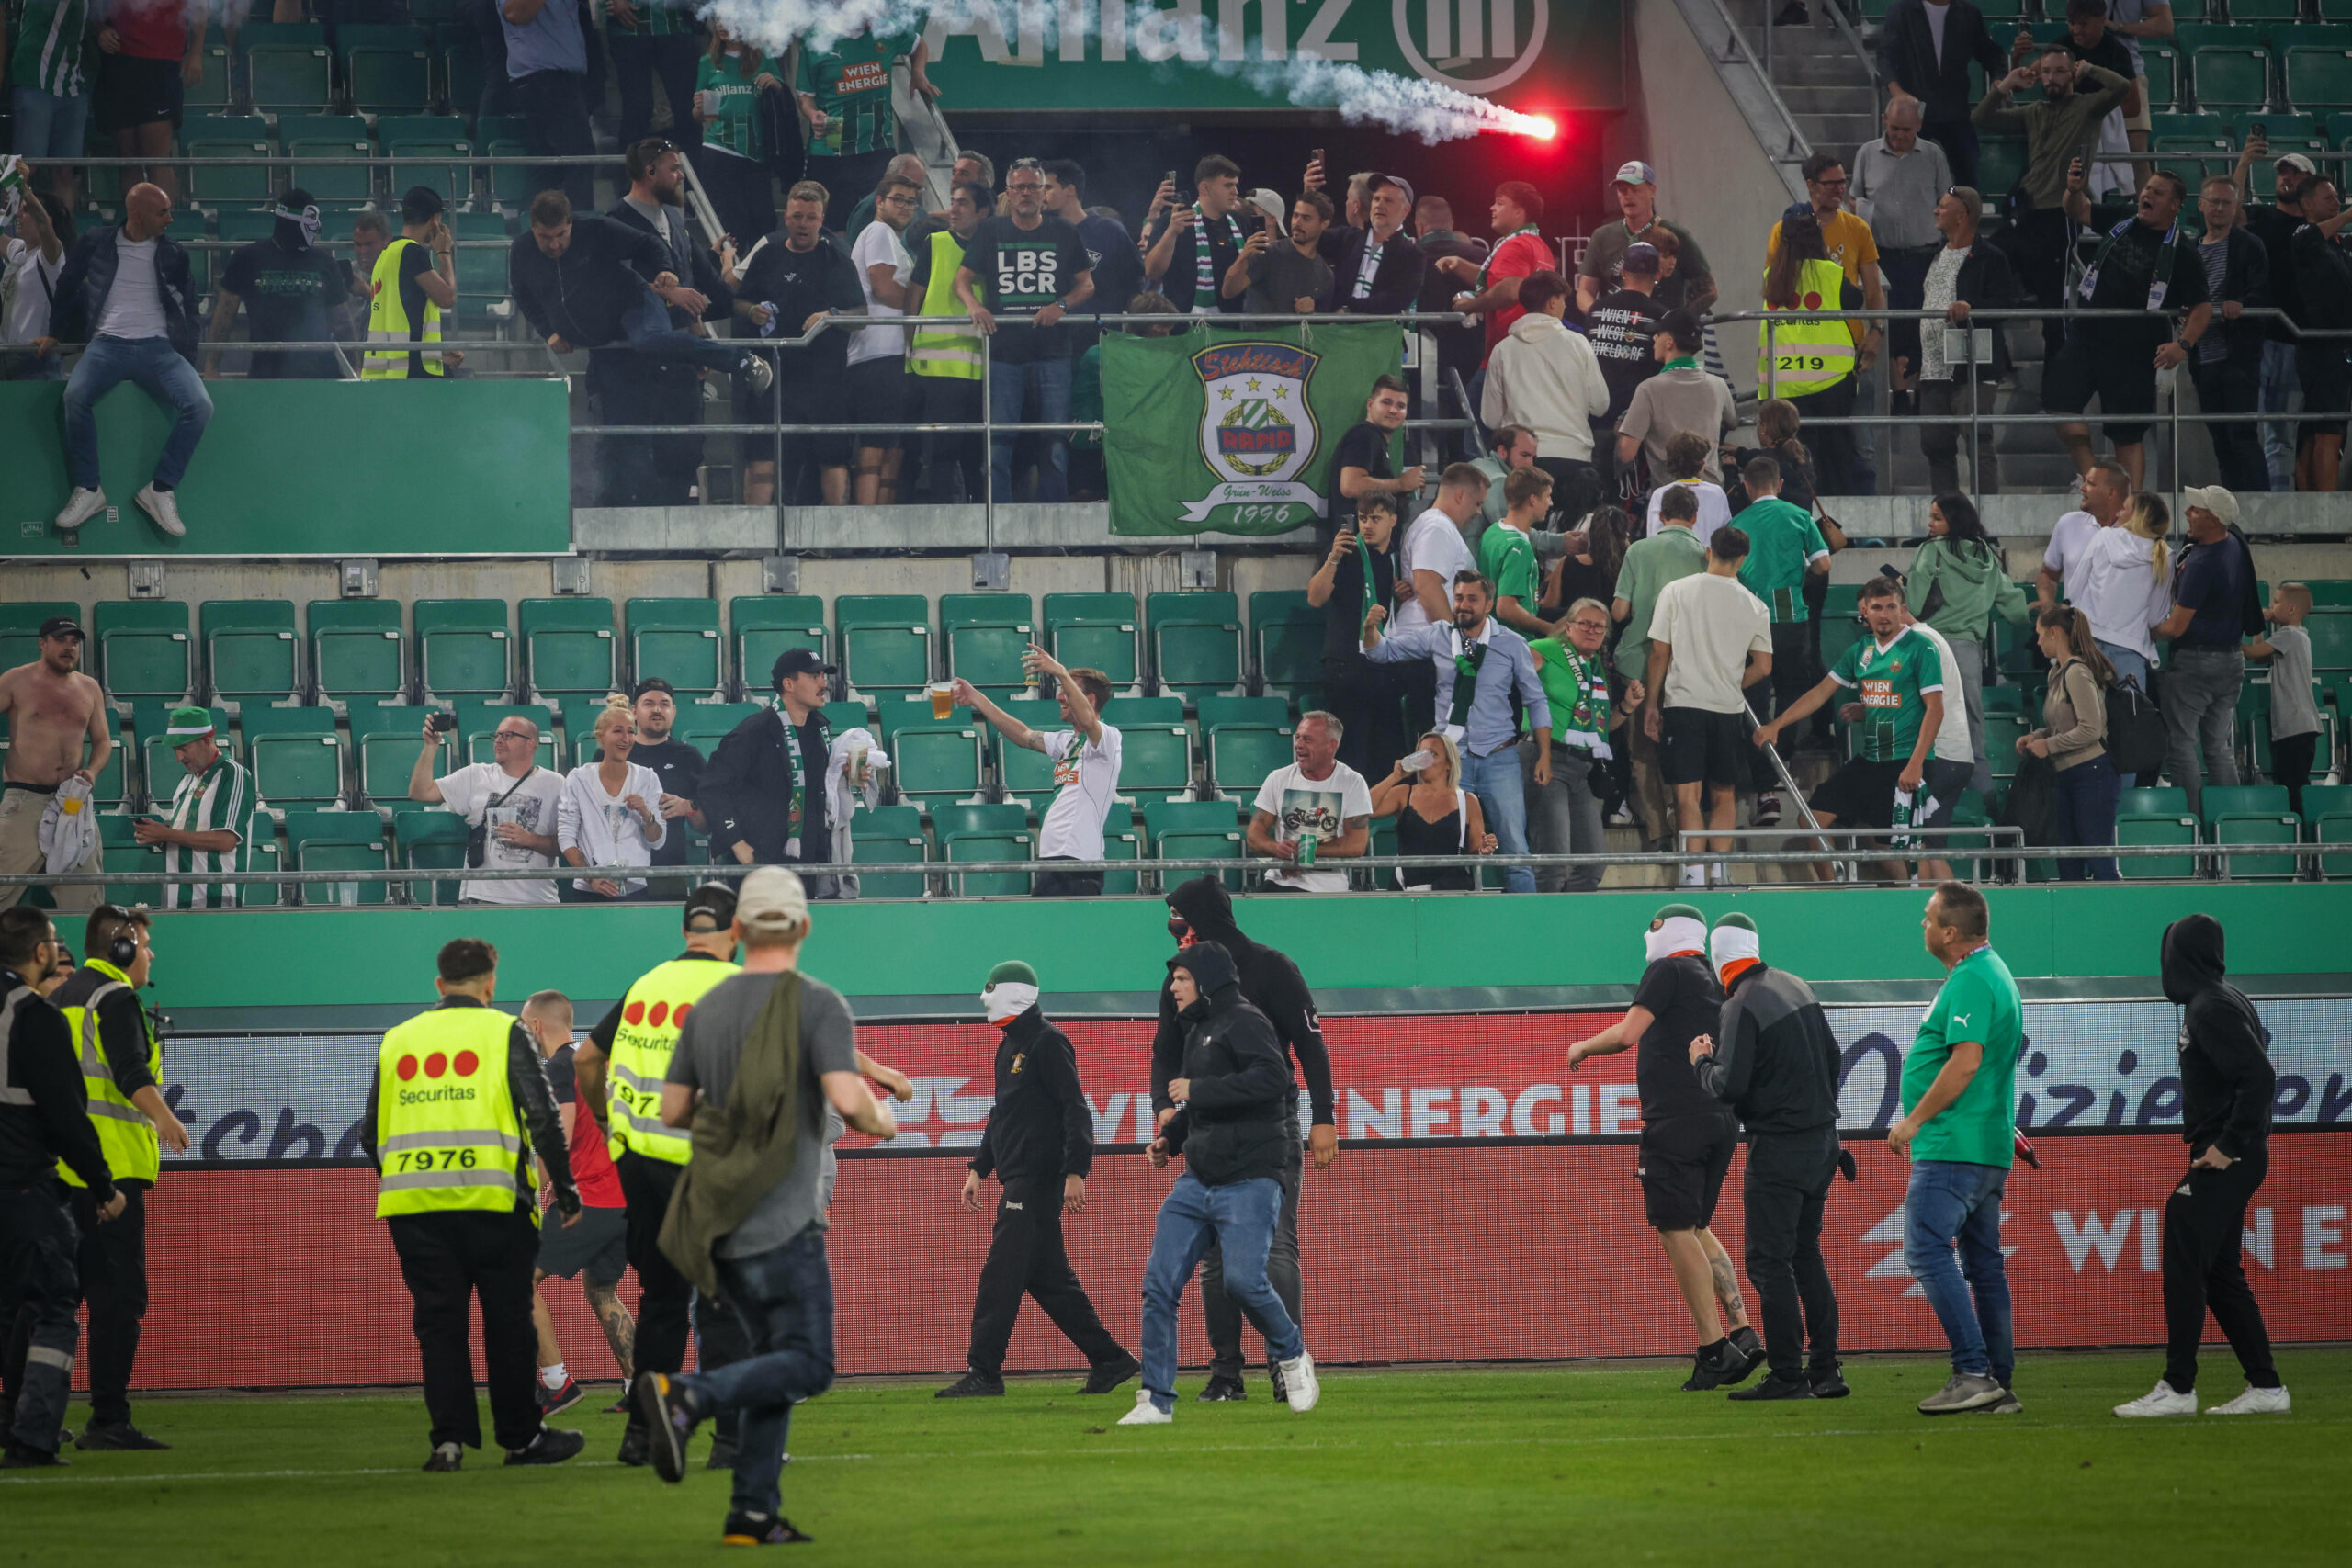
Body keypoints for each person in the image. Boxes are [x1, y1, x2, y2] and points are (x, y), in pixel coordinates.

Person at [635, 868, 902, 1543]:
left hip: (718, 1222)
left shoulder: (709, 1009)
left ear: (739, 930)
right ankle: (689, 1394)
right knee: (809, 1363)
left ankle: (751, 1511)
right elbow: (849, 1101)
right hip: (784, 1221)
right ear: (804, 927)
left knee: (772, 1362)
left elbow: (671, 1109)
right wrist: (884, 1117)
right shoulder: (817, 1003)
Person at [363, 938, 583, 1470]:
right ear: (491, 985)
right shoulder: (506, 1031)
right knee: (508, 1323)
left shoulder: (398, 1039)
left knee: (439, 1326)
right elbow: (544, 1117)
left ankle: (448, 1443)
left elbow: (370, 1131)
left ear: (439, 985)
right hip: (493, 1203)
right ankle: (521, 1439)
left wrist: (404, 1177)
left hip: (414, 1207)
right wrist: (568, 1190)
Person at [573, 884, 744, 1470]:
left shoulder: (645, 985)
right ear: (736, 931)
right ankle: (729, 1441)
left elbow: (585, 1060)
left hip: (639, 1165)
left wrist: (602, 1117)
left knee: (663, 1302)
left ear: (684, 931)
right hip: (702, 1165)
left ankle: (642, 1435)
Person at [1150, 878, 1338, 1400]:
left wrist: (1324, 1115)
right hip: (1205, 1125)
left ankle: (1286, 1364)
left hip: (1267, 1124)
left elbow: (1310, 1046)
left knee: (1270, 1247)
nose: (1171, 930)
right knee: (1213, 1255)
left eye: (1176, 917)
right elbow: (1163, 1052)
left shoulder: (1272, 967)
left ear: (1198, 918)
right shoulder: (1179, 978)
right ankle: (1226, 1372)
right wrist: (1166, 1113)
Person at [1566, 905, 1764, 1392]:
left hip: (1675, 1120)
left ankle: (1714, 1348)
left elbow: (1629, 1034)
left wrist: (1583, 1047)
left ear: (1663, 933)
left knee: (1675, 1230)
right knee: (1697, 1226)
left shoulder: (1667, 968)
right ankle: (1743, 1331)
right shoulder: (1716, 979)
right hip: (1720, 1117)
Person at [1124, 941, 1320, 1424]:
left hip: (1252, 1175)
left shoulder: (1247, 1020)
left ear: (1207, 981)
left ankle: (1292, 1355)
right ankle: (1155, 1400)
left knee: (1244, 1281)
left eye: (1182, 979)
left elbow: (1275, 1079)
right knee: (1158, 1283)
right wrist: (1171, 1137)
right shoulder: (1198, 1030)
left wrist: (1198, 1089)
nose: (1173, 988)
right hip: (1199, 1178)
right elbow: (1202, 1107)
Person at [2116, 914, 2289, 1417]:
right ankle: (2267, 1387)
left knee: (2183, 1240)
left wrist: (2229, 1146)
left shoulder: (2209, 1006)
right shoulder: (2221, 998)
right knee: (2220, 1272)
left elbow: (2259, 1076)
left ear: (2179, 957)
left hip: (2228, 1154)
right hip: (2232, 1151)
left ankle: (2179, 1387)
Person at [940, 960, 1137, 1399]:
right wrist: (979, 1167)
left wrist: (1075, 1171)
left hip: (1036, 1181)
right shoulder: (1007, 1046)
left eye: (990, 989)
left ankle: (984, 1372)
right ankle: (1110, 1360)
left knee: (1001, 1274)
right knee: (1050, 1280)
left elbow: (1076, 1109)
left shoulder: (1049, 1043)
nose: (983, 999)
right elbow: (1001, 1115)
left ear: (1013, 994)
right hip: (1017, 1178)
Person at [1691, 913, 1847, 1402]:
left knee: (1768, 1262)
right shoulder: (1796, 985)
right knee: (1805, 1254)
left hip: (1779, 1149)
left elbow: (1728, 1085)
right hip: (1823, 1141)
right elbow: (1834, 1057)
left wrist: (1701, 1061)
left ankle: (1786, 1374)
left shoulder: (1741, 1004)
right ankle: (1826, 1370)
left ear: (1719, 961)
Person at [45, 903, 183, 1448]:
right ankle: (108, 1419)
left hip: (57, 1171)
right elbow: (129, 1073)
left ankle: (34, 1416)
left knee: (55, 1300)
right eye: (146, 946)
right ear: (122, 951)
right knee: (118, 1300)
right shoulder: (115, 997)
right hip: (111, 1174)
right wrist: (165, 1118)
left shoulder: (58, 998)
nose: (151, 955)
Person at [1892, 882, 2025, 1416]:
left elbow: (1967, 1062)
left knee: (1925, 1249)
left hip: (1951, 1144)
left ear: (1951, 932)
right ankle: (1999, 1383)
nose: (1921, 926)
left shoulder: (1971, 978)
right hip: (1985, 1143)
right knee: (1984, 1266)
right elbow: (1992, 1066)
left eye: (1927, 919)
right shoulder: (1996, 973)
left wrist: (1913, 1121)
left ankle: (1972, 1371)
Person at [0, 908, 122, 1469]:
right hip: (22, 1189)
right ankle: (33, 1434)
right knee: (53, 1306)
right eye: (53, 943)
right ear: (41, 953)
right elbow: (67, 1117)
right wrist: (102, 1185)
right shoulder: (34, 1017)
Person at [1363, 571, 1551, 896]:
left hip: (1499, 757)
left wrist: (1544, 754)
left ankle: (1527, 926)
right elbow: (1382, 652)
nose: (1463, 605)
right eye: (1459, 597)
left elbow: (1535, 699)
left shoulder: (1511, 643)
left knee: (1515, 849)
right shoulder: (1438, 635)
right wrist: (1369, 629)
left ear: (1489, 604)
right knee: (1441, 846)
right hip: (1449, 760)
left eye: (1472, 599)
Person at [1755, 575, 1947, 884]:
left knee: (1904, 845)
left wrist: (1916, 764)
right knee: (1812, 819)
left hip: (1906, 761)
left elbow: (1935, 709)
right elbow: (1820, 692)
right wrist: (1776, 724)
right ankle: (1836, 893)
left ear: (1902, 609)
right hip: (1871, 760)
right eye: (1876, 607)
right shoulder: (1861, 650)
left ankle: (1924, 907)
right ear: (1865, 612)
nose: (1884, 614)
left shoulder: (1920, 648)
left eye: (1890, 607)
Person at [42, 182, 205, 539]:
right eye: (162, 212)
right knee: (74, 397)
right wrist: (55, 332)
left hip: (159, 349)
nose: (170, 218)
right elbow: (68, 282)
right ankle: (88, 489)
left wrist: (189, 359)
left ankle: (160, 490)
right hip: (107, 344)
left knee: (201, 406)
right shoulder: (97, 241)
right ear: (137, 214)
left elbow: (190, 307)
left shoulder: (174, 253)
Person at [514, 190, 774, 402]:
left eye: (561, 235)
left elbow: (649, 243)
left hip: (633, 301)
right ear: (532, 229)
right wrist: (548, 331)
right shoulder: (522, 251)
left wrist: (666, 270)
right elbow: (523, 295)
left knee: (648, 339)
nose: (554, 244)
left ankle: (743, 360)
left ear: (571, 223)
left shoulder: (596, 228)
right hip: (597, 329)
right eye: (545, 238)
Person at [2050, 165, 2211, 491]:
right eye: (2147, 189)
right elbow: (2077, 210)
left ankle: (2130, 506)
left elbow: (2202, 307)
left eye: (2158, 192)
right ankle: (2093, 482)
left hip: (2135, 348)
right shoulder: (2123, 218)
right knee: (2059, 404)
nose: (2147, 194)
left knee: (2127, 433)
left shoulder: (2183, 251)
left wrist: (2183, 345)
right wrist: (2074, 188)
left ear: (2175, 205)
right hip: (2089, 335)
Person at [518, 989, 634, 1418]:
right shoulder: (590, 1064)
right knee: (600, 1288)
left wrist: (533, 1188)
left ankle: (555, 1383)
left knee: (517, 1278)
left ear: (535, 1027)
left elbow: (559, 1137)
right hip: (621, 1199)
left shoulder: (559, 1066)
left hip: (590, 1198)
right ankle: (640, 1386)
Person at [1973, 50, 2132, 360]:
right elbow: (1980, 118)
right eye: (2045, 71)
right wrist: (2007, 83)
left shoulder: (2088, 107)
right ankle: (1997, 360)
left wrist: (2090, 68)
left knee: (2053, 313)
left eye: (2059, 71)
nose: (2051, 78)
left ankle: (2056, 395)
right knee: (1984, 270)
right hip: (2024, 215)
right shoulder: (2034, 111)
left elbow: (2122, 87)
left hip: (2060, 216)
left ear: (2071, 73)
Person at [955, 158, 1094, 503]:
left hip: (1053, 354)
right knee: (998, 444)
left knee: (1054, 445)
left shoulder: (1063, 231)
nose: (1027, 193)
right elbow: (962, 280)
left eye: (1034, 186)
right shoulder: (991, 230)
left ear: (1044, 192)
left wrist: (1059, 306)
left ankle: (1053, 533)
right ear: (1009, 192)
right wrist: (976, 306)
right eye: (1020, 187)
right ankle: (998, 530)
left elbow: (1086, 285)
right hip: (1004, 354)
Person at [1646, 526, 1773, 887]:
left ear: (1708, 551)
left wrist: (1652, 705)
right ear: (1743, 559)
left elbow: (1659, 652)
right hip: (1728, 709)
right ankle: (1720, 872)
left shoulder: (1676, 591)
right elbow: (1764, 667)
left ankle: (1692, 875)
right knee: (1724, 793)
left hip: (1683, 705)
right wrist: (1731, 683)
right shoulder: (1755, 604)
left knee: (1687, 796)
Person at [605, 145, 731, 506]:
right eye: (674, 169)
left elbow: (690, 283)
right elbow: (613, 286)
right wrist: (666, 296)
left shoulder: (676, 218)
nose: (680, 176)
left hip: (679, 359)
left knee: (685, 450)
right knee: (636, 457)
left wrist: (698, 337)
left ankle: (681, 539)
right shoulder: (614, 221)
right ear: (649, 172)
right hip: (634, 364)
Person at [731, 181, 864, 506]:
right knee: (761, 456)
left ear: (821, 220)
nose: (803, 224)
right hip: (772, 375)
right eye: (797, 216)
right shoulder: (766, 255)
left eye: (811, 217)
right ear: (786, 217)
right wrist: (751, 310)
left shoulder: (837, 260)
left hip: (824, 378)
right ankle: (754, 539)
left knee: (832, 456)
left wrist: (829, 316)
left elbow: (861, 315)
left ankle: (836, 540)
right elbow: (737, 301)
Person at [952, 654, 1119, 897]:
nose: (1059, 697)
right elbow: (1023, 735)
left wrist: (1061, 672)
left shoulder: (1108, 739)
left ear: (1089, 699)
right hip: (1055, 860)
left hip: (1078, 862)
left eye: (1066, 691)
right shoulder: (1066, 741)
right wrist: (977, 698)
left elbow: (1089, 720)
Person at [1907, 492, 2030, 794]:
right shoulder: (1987, 556)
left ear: (1954, 520)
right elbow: (2013, 607)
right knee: (1972, 732)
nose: (1929, 523)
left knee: (1925, 728)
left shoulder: (1929, 552)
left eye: (1937, 517)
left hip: (1930, 648)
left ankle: (1929, 805)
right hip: (1968, 653)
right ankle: (1982, 805)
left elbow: (1913, 603)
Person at [1734, 457, 1830, 823]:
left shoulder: (1737, 524)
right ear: (1778, 482)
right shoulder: (1799, 516)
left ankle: (1764, 791)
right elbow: (1823, 565)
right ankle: (1783, 754)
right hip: (1790, 614)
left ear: (1746, 486)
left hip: (1749, 619)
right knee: (1793, 688)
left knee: (1755, 699)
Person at [1613, 484, 1709, 852]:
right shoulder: (1704, 554)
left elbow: (1619, 611)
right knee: (1681, 752)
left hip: (1637, 663)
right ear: (1695, 518)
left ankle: (1658, 834)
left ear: (1661, 516)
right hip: (1686, 669)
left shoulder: (1638, 550)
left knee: (1641, 754)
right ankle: (1682, 819)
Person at [2153, 486, 2256, 817]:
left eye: (2195, 509)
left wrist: (2139, 628)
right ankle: (2228, 822)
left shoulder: (2201, 562)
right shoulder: (2235, 544)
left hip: (2195, 664)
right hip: (2231, 661)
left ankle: (2195, 823)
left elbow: (2175, 628)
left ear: (2212, 519)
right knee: (2218, 747)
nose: (2187, 513)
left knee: (2182, 744)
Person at [1904, 187, 2015, 495]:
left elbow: (2007, 304)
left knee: (1978, 440)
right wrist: (1914, 359)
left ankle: (1984, 524)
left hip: (1972, 367)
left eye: (1942, 207)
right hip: (1932, 370)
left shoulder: (1990, 257)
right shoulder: (1931, 256)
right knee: (1935, 446)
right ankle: (1947, 520)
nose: (1935, 212)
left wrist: (1972, 308)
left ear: (1961, 215)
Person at [0, 615, 111, 913]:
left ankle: (81, 959)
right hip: (24, 799)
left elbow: (103, 742)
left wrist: (92, 770)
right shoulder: (15, 680)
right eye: (60, 640)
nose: (69, 647)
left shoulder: (89, 688)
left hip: (72, 801)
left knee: (86, 899)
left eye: (74, 641)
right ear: (42, 643)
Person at [700, 648, 840, 876]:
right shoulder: (754, 731)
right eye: (815, 677)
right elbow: (713, 787)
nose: (824, 684)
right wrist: (737, 843)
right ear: (789, 684)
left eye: (824, 677)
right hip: (760, 863)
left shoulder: (819, 730)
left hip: (808, 861)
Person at [1758, 209, 1868, 497]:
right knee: (1836, 457)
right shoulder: (1829, 272)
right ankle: (1838, 527)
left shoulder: (1771, 277)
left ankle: (1797, 519)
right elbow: (1856, 300)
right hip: (1830, 381)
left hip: (1783, 383)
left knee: (1790, 460)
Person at [1523, 600, 1632, 893]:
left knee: (1593, 864)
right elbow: (1507, 678)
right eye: (1584, 623)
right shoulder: (1545, 649)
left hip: (1581, 770)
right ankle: (1546, 934)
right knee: (1553, 864)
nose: (1591, 630)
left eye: (1598, 626)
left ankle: (1567, 924)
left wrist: (1626, 707)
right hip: (1546, 759)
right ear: (1568, 626)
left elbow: (1598, 729)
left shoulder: (1594, 668)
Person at [1482, 270, 1609, 520]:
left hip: (1523, 466)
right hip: (1574, 460)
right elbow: (1601, 405)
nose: (1564, 306)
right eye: (1563, 300)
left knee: (1527, 543)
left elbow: (1490, 417)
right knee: (1570, 546)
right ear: (1552, 302)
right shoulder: (1578, 344)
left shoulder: (1503, 350)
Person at [407, 710, 565, 906]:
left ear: (530, 743)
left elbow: (567, 846)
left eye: (508, 735)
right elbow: (420, 792)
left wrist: (530, 839)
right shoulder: (476, 775)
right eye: (497, 735)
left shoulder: (556, 784)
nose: (498, 741)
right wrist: (430, 747)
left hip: (538, 900)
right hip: (483, 898)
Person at [794, 19, 933, 231]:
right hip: (832, 146)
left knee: (885, 221)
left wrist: (918, 72)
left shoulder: (886, 31)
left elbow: (918, 44)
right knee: (831, 227)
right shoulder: (816, 41)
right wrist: (813, 114)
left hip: (877, 144)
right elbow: (804, 96)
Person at [1309, 494, 1411, 781]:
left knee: (1386, 757)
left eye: (1376, 518)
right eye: (1363, 518)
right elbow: (1315, 598)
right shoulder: (1345, 551)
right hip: (1346, 666)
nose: (1367, 525)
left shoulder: (1394, 557)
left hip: (1382, 667)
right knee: (1350, 759)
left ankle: (1380, 822)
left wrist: (1400, 593)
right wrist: (1332, 558)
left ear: (1392, 520)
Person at [203, 189, 351, 381]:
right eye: (311, 222)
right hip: (267, 371)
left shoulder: (324, 260)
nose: (315, 229)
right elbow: (225, 312)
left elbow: (342, 320)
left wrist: (354, 367)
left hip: (320, 371)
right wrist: (211, 366)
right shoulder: (248, 257)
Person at [2235, 141, 2314, 492]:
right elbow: (2228, 210)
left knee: (2281, 435)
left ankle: (2279, 512)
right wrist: (2243, 164)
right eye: (2282, 171)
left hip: (2293, 341)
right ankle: (2253, 511)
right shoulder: (2261, 215)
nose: (2286, 177)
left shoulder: (2318, 230)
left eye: (2295, 172)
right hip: (2255, 338)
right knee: (2243, 430)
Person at [907, 179, 992, 503]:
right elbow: (912, 299)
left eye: (962, 203)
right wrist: (908, 349)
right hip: (938, 368)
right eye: (952, 201)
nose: (953, 209)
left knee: (976, 455)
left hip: (983, 367)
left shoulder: (995, 244)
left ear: (983, 212)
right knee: (942, 453)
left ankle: (979, 530)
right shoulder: (936, 242)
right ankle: (947, 528)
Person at [2020, 605, 2119, 880]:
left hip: (2092, 774)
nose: (2037, 641)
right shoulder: (2057, 674)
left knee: (2097, 858)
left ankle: (2113, 914)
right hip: (2065, 775)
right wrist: (2038, 736)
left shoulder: (2077, 673)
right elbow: (2061, 724)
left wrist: (2049, 746)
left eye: (2040, 634)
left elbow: (2091, 729)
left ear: (2054, 633)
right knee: (2069, 861)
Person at [2190, 175, 2272, 494]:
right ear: (2201, 205)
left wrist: (2242, 304)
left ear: (2236, 206)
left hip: (2238, 356)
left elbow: (2263, 290)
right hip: (2203, 357)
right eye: (2214, 202)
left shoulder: (2250, 245)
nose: (2220, 209)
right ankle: (2234, 516)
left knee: (2242, 436)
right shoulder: (2190, 248)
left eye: (2227, 202)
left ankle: (2262, 514)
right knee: (2221, 440)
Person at [847, 172, 922, 505]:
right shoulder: (878, 231)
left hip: (893, 357)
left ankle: (883, 532)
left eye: (911, 202)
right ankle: (866, 529)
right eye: (898, 199)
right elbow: (884, 289)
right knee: (875, 449)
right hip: (877, 356)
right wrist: (923, 302)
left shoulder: (893, 240)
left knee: (894, 450)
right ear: (879, 202)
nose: (906, 207)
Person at [1878, 0, 2008, 188]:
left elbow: (1991, 52)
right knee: (1905, 176)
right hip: (1915, 108)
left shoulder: (1968, 13)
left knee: (1968, 176)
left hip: (1956, 108)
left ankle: (1966, 215)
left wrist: (1998, 78)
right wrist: (1897, 92)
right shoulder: (1902, 10)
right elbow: (1886, 55)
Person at [138, 705, 256, 910]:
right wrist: (159, 838)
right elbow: (186, 839)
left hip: (215, 902)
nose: (178, 757)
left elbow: (226, 840)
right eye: (175, 750)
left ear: (207, 740)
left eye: (184, 748)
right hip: (176, 901)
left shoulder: (234, 774)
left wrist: (167, 834)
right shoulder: (186, 782)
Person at [1247, 711, 1371, 895]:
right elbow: (1253, 834)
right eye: (1297, 737)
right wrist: (1277, 848)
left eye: (1307, 740)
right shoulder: (1278, 778)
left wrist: (1305, 852)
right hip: (1280, 883)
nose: (1298, 745)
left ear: (1331, 745)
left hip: (1330, 889)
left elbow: (1356, 844)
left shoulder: (1352, 782)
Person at [558, 694, 666, 901]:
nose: (626, 739)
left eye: (631, 732)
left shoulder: (648, 778)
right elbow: (566, 837)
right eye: (617, 731)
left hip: (635, 887)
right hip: (589, 890)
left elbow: (658, 841)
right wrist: (592, 877)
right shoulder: (578, 779)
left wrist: (646, 813)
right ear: (601, 736)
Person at [90, 0, 198, 208]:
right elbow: (93, 8)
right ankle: (136, 228)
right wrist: (101, 29)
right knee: (127, 156)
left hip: (160, 63)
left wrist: (196, 53)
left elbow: (200, 7)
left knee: (157, 158)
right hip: (119, 62)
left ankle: (161, 230)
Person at [1577, 162, 1716, 321]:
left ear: (1652, 191)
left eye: (1635, 190)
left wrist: (1677, 322)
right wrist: (1600, 317)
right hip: (1616, 333)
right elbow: (1585, 290)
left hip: (1662, 336)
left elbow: (1709, 290)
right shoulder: (1602, 236)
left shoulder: (1677, 235)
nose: (1628, 196)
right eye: (1622, 190)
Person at [1437, 180, 1555, 368]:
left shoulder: (1514, 245)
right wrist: (1460, 265)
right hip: (1532, 350)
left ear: (1519, 211)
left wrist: (1470, 306)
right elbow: (1500, 280)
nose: (1492, 208)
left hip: (1509, 352)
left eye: (1500, 203)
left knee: (1471, 398)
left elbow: (1510, 289)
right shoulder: (1538, 245)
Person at [1616, 310, 1736, 491]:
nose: (1654, 338)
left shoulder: (1648, 389)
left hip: (1671, 499)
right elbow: (1732, 421)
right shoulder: (1718, 385)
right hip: (1714, 494)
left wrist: (1620, 430)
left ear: (1670, 342)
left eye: (1658, 334)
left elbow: (1626, 453)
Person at [691, 24, 785, 251]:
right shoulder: (708, 62)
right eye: (719, 19)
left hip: (756, 153)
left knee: (764, 222)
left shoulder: (765, 59)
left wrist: (775, 84)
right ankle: (732, 278)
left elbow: (783, 100)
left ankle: (760, 276)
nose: (722, 25)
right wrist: (698, 108)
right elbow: (702, 117)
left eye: (730, 18)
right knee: (732, 225)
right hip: (720, 150)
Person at [2287, 174, 2352, 493]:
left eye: (2338, 198)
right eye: (2329, 198)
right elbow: (2307, 240)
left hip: (2339, 347)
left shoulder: (2339, 244)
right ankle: (2326, 517)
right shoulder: (2303, 234)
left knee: (2322, 429)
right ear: (2308, 205)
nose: (2337, 202)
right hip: (2321, 347)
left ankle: (2314, 514)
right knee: (2326, 430)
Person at [500, 0, 595, 211]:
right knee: (579, 157)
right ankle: (579, 231)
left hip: (563, 76)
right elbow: (515, 12)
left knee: (551, 163)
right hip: (542, 76)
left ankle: (534, 227)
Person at [1368, 730, 1493, 891]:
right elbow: (1365, 809)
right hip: (1407, 892)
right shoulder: (1404, 793)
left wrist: (1486, 849)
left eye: (1433, 754)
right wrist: (1395, 776)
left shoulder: (1468, 801)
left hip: (1450, 894)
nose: (1425, 760)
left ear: (1449, 763)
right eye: (1421, 754)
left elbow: (1477, 853)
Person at [2076, 488, 2171, 694]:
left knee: (2089, 721)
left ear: (2136, 516)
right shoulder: (2165, 555)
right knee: (2131, 720)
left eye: (2124, 509)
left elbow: (2076, 588)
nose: (2118, 513)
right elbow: (2156, 617)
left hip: (2089, 646)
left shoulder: (2103, 537)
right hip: (2131, 649)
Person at [6, 1, 95, 216]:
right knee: (25, 168)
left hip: (73, 84)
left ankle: (63, 238)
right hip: (35, 78)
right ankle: (5, 234)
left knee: (66, 171)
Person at [362, 186, 458, 382]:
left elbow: (404, 313)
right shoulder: (412, 252)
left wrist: (438, 352)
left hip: (388, 367)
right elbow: (447, 298)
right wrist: (444, 253)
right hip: (413, 369)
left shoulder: (386, 253)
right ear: (435, 220)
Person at [1042, 161, 1144, 340]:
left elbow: (1135, 281)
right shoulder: (1042, 234)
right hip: (1053, 340)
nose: (1041, 195)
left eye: (1048, 187)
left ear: (1070, 190)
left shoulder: (1109, 230)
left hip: (1101, 338)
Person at [622, 678, 708, 888]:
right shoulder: (615, 753)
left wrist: (689, 807)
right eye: (649, 703)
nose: (657, 710)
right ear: (634, 711)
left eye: (664, 704)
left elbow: (706, 826)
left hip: (670, 870)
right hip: (619, 870)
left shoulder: (689, 756)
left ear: (674, 711)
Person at [1325, 374, 1423, 550]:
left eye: (1401, 406)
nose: (1394, 410)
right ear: (1370, 405)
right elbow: (1351, 486)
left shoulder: (1376, 440)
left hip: (1370, 554)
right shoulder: (1364, 435)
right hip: (1356, 554)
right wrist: (1401, 484)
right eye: (1386, 402)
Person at [1144, 153, 1250, 318]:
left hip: (1232, 327)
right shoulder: (1173, 220)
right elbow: (1152, 271)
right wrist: (1171, 233)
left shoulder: (1240, 222)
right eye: (1228, 185)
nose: (1235, 192)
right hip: (1183, 329)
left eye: (1235, 185)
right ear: (1205, 188)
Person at [2247, 584, 2320, 816]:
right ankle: (2302, 827)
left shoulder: (2289, 635)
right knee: (2292, 781)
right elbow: (2259, 654)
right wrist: (2260, 626)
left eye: (2276, 602)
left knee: (2294, 783)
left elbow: (2252, 653)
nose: (2271, 607)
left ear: (2291, 609)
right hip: (2300, 725)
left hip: (2295, 725)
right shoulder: (2296, 636)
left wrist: (2228, 643)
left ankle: (2302, 829)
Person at [1587, 242, 1664, 454]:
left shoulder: (1596, 309)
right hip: (1635, 423)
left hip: (1592, 417)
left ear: (1622, 271)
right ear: (1658, 273)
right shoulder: (1661, 316)